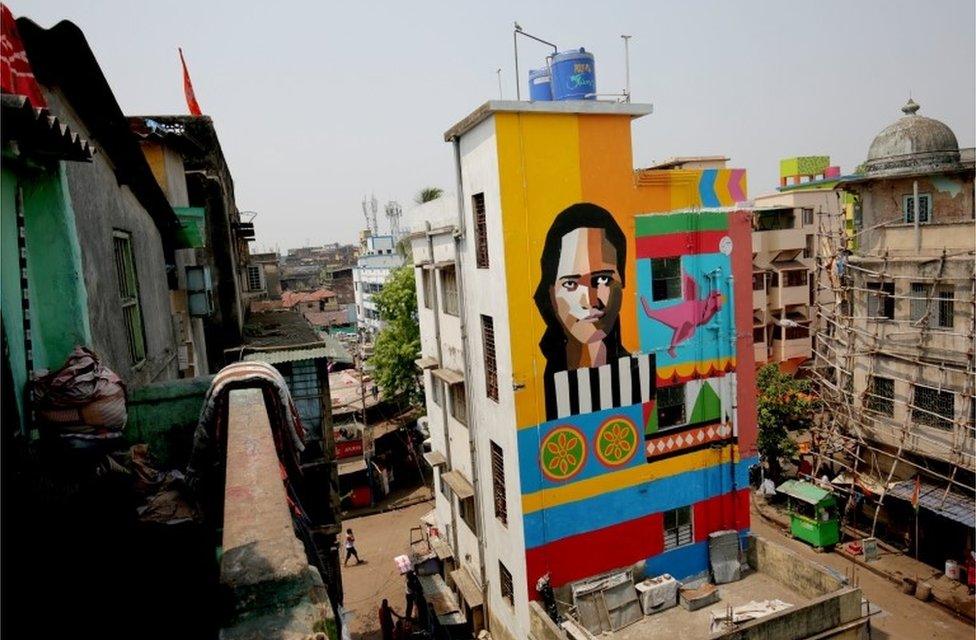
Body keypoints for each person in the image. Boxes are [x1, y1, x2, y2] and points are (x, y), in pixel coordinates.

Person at [534, 203, 629, 419]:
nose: (590, 301)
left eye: (603, 279)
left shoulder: (633, 374)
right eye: (571, 284)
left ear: (622, 281)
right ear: (551, 294)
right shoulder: (549, 381)